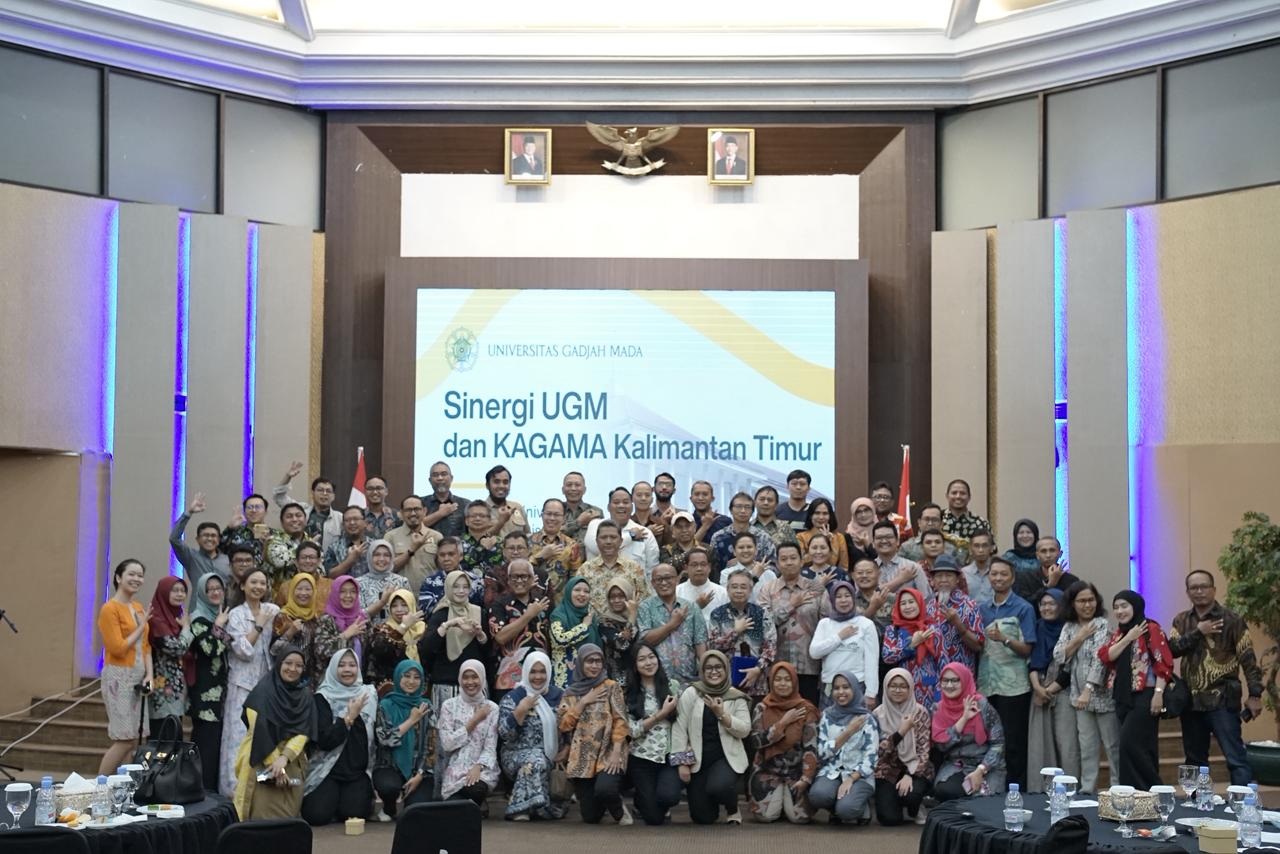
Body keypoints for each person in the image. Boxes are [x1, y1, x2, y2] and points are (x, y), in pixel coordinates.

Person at [1169, 569, 1264, 786]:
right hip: (1191, 702)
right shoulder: (1181, 620)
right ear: (1187, 592)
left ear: (1213, 589)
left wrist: (1255, 695)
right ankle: (1194, 803)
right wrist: (1198, 632)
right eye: (1194, 588)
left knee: (1236, 758)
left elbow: (1248, 659)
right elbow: (1171, 650)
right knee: (1194, 762)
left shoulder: (1233, 620)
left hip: (1223, 700)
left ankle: (1241, 802)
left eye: (1204, 586)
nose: (1199, 591)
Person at [1098, 590, 1173, 788]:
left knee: (1130, 743)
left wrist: (1158, 694)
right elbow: (1106, 656)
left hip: (1146, 695)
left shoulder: (1151, 628)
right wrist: (1128, 638)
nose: (1119, 611)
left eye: (1124, 606)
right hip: (1123, 696)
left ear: (1136, 606)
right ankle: (1137, 793)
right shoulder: (1121, 632)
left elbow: (1163, 663)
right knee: (1140, 746)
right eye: (1116, 607)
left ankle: (1151, 788)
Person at [232, 646, 317, 819]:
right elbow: (259, 729)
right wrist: (275, 765)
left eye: (299, 665)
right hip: (261, 755)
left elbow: (303, 731)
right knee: (258, 814)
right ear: (279, 664)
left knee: (287, 813)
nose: (293, 669)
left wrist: (284, 759)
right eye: (288, 663)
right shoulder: (262, 692)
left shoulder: (305, 696)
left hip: (290, 758)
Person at [1053, 580, 1118, 795]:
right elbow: (1059, 656)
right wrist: (1079, 638)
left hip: (1102, 695)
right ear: (1072, 603)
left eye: (1091, 600)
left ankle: (1117, 788)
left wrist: (1088, 689)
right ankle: (1088, 789)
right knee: (1087, 746)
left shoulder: (1101, 624)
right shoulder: (1070, 627)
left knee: (1112, 746)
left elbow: (1101, 661)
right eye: (1081, 601)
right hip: (1078, 697)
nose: (1087, 605)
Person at [671, 650, 751, 824]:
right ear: (702, 670)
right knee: (702, 818)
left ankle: (732, 808)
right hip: (698, 760)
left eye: (718, 667)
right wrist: (682, 762)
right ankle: (711, 800)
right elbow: (679, 728)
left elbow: (745, 730)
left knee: (719, 787)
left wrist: (722, 715)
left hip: (726, 758)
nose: (714, 671)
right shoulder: (692, 693)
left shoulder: (735, 696)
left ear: (726, 669)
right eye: (708, 668)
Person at [977, 558, 1035, 789]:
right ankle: (991, 789)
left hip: (1014, 686)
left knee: (1014, 743)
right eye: (994, 574)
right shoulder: (982, 609)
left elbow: (1027, 649)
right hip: (987, 684)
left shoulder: (1023, 608)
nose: (998, 578)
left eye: (1003, 574)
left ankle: (1016, 790)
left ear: (1012, 578)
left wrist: (1005, 639)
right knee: (988, 740)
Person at [221, 567, 281, 796]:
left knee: (264, 737)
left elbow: (278, 644)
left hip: (266, 685)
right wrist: (259, 624)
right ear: (243, 586)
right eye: (253, 582)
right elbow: (243, 650)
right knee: (237, 739)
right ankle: (232, 791)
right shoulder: (236, 615)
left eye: (262, 583)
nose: (258, 587)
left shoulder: (273, 610)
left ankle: (259, 791)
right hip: (241, 684)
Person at [301, 649, 377, 826]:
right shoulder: (322, 697)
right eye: (341, 665)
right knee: (316, 816)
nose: (347, 670)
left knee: (354, 814)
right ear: (333, 668)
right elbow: (325, 741)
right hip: (327, 770)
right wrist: (349, 718)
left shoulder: (369, 694)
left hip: (357, 771)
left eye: (352, 665)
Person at [557, 644, 631, 824]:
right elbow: (564, 725)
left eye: (598, 661)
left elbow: (621, 721)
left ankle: (619, 811)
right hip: (583, 755)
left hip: (609, 751)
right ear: (581, 663)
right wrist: (583, 701)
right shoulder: (570, 693)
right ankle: (602, 802)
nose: (595, 665)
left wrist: (616, 752)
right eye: (590, 661)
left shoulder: (611, 687)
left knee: (606, 789)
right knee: (590, 817)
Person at [97, 559, 154, 775]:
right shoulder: (109, 609)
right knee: (124, 739)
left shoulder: (138, 608)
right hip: (118, 677)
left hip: (138, 677)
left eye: (140, 575)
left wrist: (149, 675)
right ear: (118, 578)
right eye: (132, 574)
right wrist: (141, 627)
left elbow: (146, 647)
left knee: (135, 739)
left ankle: (124, 787)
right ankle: (100, 785)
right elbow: (117, 648)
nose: (137, 579)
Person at [498, 651, 569, 821]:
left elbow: (570, 728)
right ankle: (522, 809)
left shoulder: (559, 696)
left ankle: (535, 806)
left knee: (538, 760)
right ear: (525, 672)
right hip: (515, 754)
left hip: (553, 755)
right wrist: (520, 711)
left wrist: (567, 748)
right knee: (535, 760)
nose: (538, 677)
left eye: (542, 671)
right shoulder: (513, 697)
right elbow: (504, 735)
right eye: (533, 672)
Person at [748, 661, 820, 824]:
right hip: (767, 771)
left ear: (794, 682)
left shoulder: (806, 709)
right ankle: (778, 797)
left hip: (796, 773)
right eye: (778, 679)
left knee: (799, 819)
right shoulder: (762, 707)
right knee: (766, 817)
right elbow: (756, 742)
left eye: (787, 679)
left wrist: (806, 778)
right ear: (771, 682)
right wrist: (782, 724)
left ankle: (785, 798)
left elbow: (811, 748)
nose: (782, 684)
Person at [759, 542, 825, 705]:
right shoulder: (767, 589)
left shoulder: (816, 588)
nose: (789, 562)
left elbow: (826, 625)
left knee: (808, 712)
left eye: (793, 558)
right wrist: (791, 605)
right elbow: (764, 624)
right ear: (777, 564)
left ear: (802, 561)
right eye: (784, 559)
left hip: (809, 665)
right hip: (777, 666)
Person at [810, 670, 878, 825]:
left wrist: (851, 779)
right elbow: (821, 753)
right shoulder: (827, 716)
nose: (841, 692)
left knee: (847, 809)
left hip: (859, 775)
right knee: (817, 796)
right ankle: (836, 806)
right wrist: (847, 733)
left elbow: (871, 758)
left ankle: (860, 807)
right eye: (836, 688)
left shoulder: (866, 719)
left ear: (855, 689)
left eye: (846, 687)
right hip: (832, 772)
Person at [625, 642, 682, 826]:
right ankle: (642, 801)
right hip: (642, 757)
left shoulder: (673, 686)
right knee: (653, 819)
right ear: (635, 665)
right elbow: (632, 731)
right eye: (642, 659)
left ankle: (656, 798)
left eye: (651, 657)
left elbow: (683, 722)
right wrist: (661, 714)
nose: (648, 663)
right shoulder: (629, 693)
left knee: (670, 796)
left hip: (669, 755)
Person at [931, 662, 1006, 800]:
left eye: (955, 680)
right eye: (945, 680)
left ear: (965, 680)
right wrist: (964, 719)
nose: (949, 685)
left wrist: (981, 770)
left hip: (987, 765)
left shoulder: (982, 705)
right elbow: (941, 746)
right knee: (945, 791)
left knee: (983, 801)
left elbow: (998, 744)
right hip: (956, 765)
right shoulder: (938, 709)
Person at [1026, 588, 1076, 792]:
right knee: (1040, 743)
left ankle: (1070, 790)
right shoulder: (1037, 627)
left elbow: (1070, 667)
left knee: (1066, 744)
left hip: (1063, 691)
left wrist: (1050, 690)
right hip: (1039, 690)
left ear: (1061, 605)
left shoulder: (1069, 630)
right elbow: (1031, 662)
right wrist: (1038, 688)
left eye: (1052, 603)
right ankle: (1042, 790)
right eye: (1043, 604)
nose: (1046, 608)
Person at [372, 660, 434, 819]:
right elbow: (384, 740)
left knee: (416, 813)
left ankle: (411, 799)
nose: (411, 681)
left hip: (418, 769)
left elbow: (432, 746)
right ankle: (389, 807)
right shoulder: (385, 705)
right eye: (406, 676)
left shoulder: (426, 707)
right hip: (389, 765)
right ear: (398, 677)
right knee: (388, 787)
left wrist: (420, 774)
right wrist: (411, 721)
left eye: (416, 677)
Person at [421, 570, 488, 717]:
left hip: (474, 686)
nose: (461, 591)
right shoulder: (440, 613)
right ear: (448, 588)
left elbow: (488, 652)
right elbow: (427, 649)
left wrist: (480, 634)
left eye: (465, 587)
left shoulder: (478, 613)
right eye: (456, 586)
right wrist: (447, 625)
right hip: (446, 684)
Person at [872, 668, 933, 826]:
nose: (897, 690)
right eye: (893, 686)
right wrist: (901, 732)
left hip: (915, 767)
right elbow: (880, 752)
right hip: (887, 768)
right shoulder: (878, 714)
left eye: (903, 686)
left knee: (911, 796)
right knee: (889, 819)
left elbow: (923, 750)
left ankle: (915, 806)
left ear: (910, 688)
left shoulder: (920, 712)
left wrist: (909, 774)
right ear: (886, 687)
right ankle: (895, 804)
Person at [188, 572, 232, 791]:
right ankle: (202, 792)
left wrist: (220, 627)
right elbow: (210, 649)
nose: (215, 592)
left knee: (216, 745)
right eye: (209, 589)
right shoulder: (198, 619)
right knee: (205, 745)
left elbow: (230, 643)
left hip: (221, 693)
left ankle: (212, 792)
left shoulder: (222, 615)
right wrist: (219, 626)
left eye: (218, 588)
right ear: (202, 593)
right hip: (205, 693)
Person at [438, 660, 500, 810]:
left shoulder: (492, 708)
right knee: (452, 807)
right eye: (465, 677)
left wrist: (478, 766)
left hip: (481, 767)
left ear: (482, 678)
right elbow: (447, 744)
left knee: (476, 789)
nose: (470, 682)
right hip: (456, 767)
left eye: (475, 677)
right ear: (460, 679)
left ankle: (475, 802)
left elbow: (490, 746)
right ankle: (473, 806)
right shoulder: (449, 706)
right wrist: (474, 720)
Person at [707, 568, 777, 700]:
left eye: (743, 587)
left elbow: (770, 648)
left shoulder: (762, 613)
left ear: (750, 590)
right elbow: (713, 647)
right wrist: (735, 632)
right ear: (727, 589)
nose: (739, 591)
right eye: (734, 587)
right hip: (725, 682)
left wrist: (758, 669)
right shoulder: (717, 614)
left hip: (757, 683)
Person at [638, 562, 709, 686]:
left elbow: (700, 643)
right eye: (659, 579)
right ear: (652, 583)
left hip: (689, 680)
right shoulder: (645, 607)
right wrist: (672, 624)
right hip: (657, 682)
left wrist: (705, 675)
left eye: (668, 578)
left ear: (677, 579)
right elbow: (645, 640)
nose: (664, 583)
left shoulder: (692, 608)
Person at [809, 581, 879, 706]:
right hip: (830, 685)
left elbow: (872, 661)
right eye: (838, 596)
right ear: (832, 600)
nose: (843, 600)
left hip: (857, 685)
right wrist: (839, 637)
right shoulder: (825, 623)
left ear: (853, 598)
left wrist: (871, 693)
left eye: (847, 596)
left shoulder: (865, 624)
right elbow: (814, 652)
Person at [488, 558, 550, 697]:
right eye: (514, 577)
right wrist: (528, 615)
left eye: (524, 576)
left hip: (540, 678)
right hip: (508, 679)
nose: (519, 580)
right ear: (509, 580)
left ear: (532, 578)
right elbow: (500, 637)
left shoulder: (544, 602)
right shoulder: (499, 604)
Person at [881, 588, 941, 711]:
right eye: (903, 603)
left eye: (911, 602)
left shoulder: (932, 629)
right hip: (901, 689)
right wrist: (911, 644)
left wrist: (939, 693)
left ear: (920, 603)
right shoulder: (893, 630)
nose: (908, 607)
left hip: (929, 688)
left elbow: (942, 661)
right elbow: (887, 657)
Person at [147, 575, 193, 734]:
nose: (180, 594)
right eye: (174, 590)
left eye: (182, 591)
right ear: (164, 592)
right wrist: (186, 629)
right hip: (161, 692)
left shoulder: (178, 617)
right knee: (163, 738)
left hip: (177, 690)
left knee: (175, 738)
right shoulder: (156, 620)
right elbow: (177, 648)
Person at [585, 487, 660, 577]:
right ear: (608, 507)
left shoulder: (644, 532)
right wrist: (631, 535)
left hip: (634, 585)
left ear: (632, 507)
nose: (621, 505)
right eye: (616, 502)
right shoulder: (595, 525)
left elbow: (652, 570)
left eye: (625, 502)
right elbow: (596, 547)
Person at [578, 520, 649, 615]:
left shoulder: (634, 568)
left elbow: (645, 601)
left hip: (627, 622)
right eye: (604, 537)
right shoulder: (585, 570)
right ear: (597, 541)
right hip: (593, 623)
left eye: (613, 537)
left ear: (621, 541)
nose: (608, 541)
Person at [270, 573, 325, 688]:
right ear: (292, 591)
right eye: (299, 589)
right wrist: (290, 633)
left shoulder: (315, 618)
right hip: (286, 679)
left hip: (309, 681)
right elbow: (273, 651)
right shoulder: (283, 617)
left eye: (308, 589)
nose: (303, 593)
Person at [273, 462, 343, 549]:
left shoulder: (340, 519)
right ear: (312, 493)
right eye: (320, 490)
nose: (324, 494)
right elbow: (279, 497)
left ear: (333, 496)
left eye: (328, 491)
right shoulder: (300, 511)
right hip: (298, 555)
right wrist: (288, 477)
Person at [364, 590, 424, 688]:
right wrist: (403, 627)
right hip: (389, 687)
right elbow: (380, 651)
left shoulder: (421, 628)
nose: (399, 609)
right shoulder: (382, 630)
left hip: (416, 686)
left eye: (404, 605)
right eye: (394, 606)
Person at [549, 576, 600, 689]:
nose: (582, 594)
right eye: (577, 590)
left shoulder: (590, 616)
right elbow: (560, 639)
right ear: (568, 592)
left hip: (589, 678)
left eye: (586, 591)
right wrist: (583, 626)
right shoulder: (558, 615)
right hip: (565, 679)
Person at [529, 498, 583, 602]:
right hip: (531, 602)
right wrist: (540, 556)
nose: (552, 518)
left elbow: (575, 579)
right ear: (541, 515)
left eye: (557, 515)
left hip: (560, 604)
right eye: (548, 514)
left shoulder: (572, 545)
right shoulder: (528, 542)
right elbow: (519, 571)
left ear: (564, 518)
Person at [385, 494, 442, 594]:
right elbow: (387, 569)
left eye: (417, 509)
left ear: (424, 511)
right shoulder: (390, 537)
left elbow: (442, 568)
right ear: (401, 513)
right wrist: (411, 550)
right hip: (401, 597)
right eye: (408, 510)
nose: (413, 513)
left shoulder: (436, 536)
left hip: (430, 595)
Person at [313, 575, 373, 667]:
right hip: (331, 674)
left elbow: (370, 653)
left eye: (353, 591)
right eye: (342, 591)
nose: (348, 596)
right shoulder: (326, 620)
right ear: (335, 593)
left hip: (359, 674)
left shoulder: (363, 619)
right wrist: (345, 635)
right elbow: (321, 652)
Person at [170, 491, 230, 583]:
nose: (209, 538)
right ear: (197, 539)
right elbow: (174, 539)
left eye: (213, 536)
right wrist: (188, 513)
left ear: (218, 540)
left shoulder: (228, 560)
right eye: (205, 535)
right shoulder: (191, 557)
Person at [710, 491, 777, 572]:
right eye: (738, 506)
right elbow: (711, 567)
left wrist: (751, 565)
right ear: (731, 510)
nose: (743, 511)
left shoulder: (763, 537)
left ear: (752, 512)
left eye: (747, 507)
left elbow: (774, 566)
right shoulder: (719, 537)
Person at [417, 536, 484, 614]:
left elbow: (481, 610)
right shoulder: (429, 582)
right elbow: (425, 611)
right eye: (442, 555)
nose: (446, 559)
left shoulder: (475, 581)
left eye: (451, 554)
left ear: (460, 556)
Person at [871, 520, 932, 601]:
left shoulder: (912, 568)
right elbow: (864, 597)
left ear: (897, 541)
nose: (884, 541)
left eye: (889, 537)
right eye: (879, 538)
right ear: (873, 543)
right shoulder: (866, 570)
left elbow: (927, 600)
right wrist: (900, 579)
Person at [597, 576, 639, 690]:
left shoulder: (639, 617)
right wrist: (632, 616)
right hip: (617, 680)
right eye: (612, 597)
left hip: (639, 674)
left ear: (629, 596)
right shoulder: (604, 622)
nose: (616, 600)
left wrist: (633, 616)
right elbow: (622, 644)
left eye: (621, 596)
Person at [357, 540, 410, 625]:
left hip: (400, 631)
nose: (381, 559)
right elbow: (359, 617)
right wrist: (382, 602)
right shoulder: (359, 583)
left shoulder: (401, 582)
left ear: (392, 558)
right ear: (370, 557)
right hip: (369, 632)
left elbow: (411, 611)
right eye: (377, 555)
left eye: (386, 555)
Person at [263, 503, 311, 593]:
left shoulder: (312, 541)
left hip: (307, 594)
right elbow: (279, 561)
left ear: (305, 520)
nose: (294, 519)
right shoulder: (274, 540)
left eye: (298, 515)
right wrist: (307, 551)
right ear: (282, 523)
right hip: (281, 595)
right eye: (289, 516)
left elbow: (321, 570)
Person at [1012, 534, 1076, 602]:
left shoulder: (1071, 581)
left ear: (1060, 554)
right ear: (1037, 555)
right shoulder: (1025, 578)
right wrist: (1049, 586)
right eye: (1043, 551)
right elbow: (1025, 604)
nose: (1048, 555)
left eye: (1052, 550)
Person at [222, 493, 277, 567]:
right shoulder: (235, 532)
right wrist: (229, 528)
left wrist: (266, 545)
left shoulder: (274, 535)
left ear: (266, 512)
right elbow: (219, 550)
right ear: (244, 512)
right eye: (250, 507)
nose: (253, 510)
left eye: (258, 507)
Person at [477, 464, 531, 538]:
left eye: (505, 482)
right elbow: (479, 539)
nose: (501, 486)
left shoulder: (517, 507)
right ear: (487, 485)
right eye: (496, 482)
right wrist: (501, 522)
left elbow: (527, 535)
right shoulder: (479, 510)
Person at [797, 499, 853, 569]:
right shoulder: (801, 537)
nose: (821, 517)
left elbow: (844, 566)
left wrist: (829, 542)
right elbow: (799, 563)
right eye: (817, 513)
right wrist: (821, 542)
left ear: (830, 516)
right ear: (811, 515)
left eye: (825, 513)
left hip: (833, 575)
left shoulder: (839, 538)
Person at [723, 531, 779, 601]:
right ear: (734, 552)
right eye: (741, 547)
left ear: (756, 550)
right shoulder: (726, 574)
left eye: (749, 547)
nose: (745, 550)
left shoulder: (769, 574)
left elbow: (776, 601)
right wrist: (754, 577)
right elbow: (730, 600)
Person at [677, 546, 728, 621]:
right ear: (686, 568)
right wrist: (696, 607)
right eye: (694, 565)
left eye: (703, 564)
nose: (699, 569)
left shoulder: (723, 593)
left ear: (709, 567)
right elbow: (673, 623)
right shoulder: (677, 592)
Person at [939, 478, 991, 551]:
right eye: (954, 493)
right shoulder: (938, 519)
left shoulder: (980, 523)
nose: (958, 496)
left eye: (962, 493)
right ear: (947, 496)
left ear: (969, 497)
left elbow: (991, 550)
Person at [423, 460, 469, 538]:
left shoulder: (465, 504)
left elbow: (472, 531)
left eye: (444, 474)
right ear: (430, 480)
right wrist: (440, 514)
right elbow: (413, 526)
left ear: (451, 478)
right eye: (435, 475)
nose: (440, 478)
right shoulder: (421, 503)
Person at [323, 507, 373, 579]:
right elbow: (330, 575)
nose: (352, 523)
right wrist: (350, 560)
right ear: (343, 525)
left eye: (356, 519)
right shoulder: (334, 548)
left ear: (365, 523)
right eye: (347, 520)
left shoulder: (375, 546)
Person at [661, 511, 711, 578]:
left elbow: (714, 577)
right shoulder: (666, 550)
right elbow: (666, 566)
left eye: (687, 526)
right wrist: (691, 552)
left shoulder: (707, 549)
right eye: (679, 527)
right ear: (672, 530)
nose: (684, 530)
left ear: (695, 528)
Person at [559, 471, 602, 543]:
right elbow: (551, 535)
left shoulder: (595, 512)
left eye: (577, 485)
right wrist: (578, 522)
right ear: (563, 490)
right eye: (569, 485)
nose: (573, 488)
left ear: (584, 490)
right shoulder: (555, 511)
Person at [753, 485, 799, 550]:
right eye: (762, 499)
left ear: (776, 504)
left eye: (770, 500)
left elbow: (795, 553)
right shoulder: (748, 528)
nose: (766, 503)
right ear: (755, 502)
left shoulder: (786, 529)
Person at [961, 529, 997, 608]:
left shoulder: (999, 573)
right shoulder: (963, 574)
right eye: (976, 546)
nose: (981, 550)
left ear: (991, 548)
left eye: (985, 545)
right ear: (970, 548)